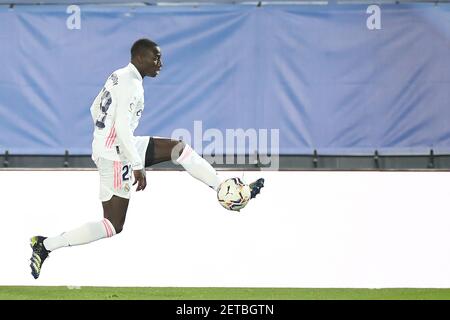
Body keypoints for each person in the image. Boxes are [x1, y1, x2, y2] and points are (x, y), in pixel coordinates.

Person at [29, 38, 264, 279]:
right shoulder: (132, 85)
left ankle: (222, 188)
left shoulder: (118, 75)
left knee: (179, 149)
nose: (160, 63)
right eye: (156, 57)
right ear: (140, 58)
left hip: (118, 146)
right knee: (113, 224)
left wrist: (104, 133)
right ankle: (45, 246)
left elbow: (94, 108)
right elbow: (120, 127)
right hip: (115, 155)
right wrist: (137, 166)